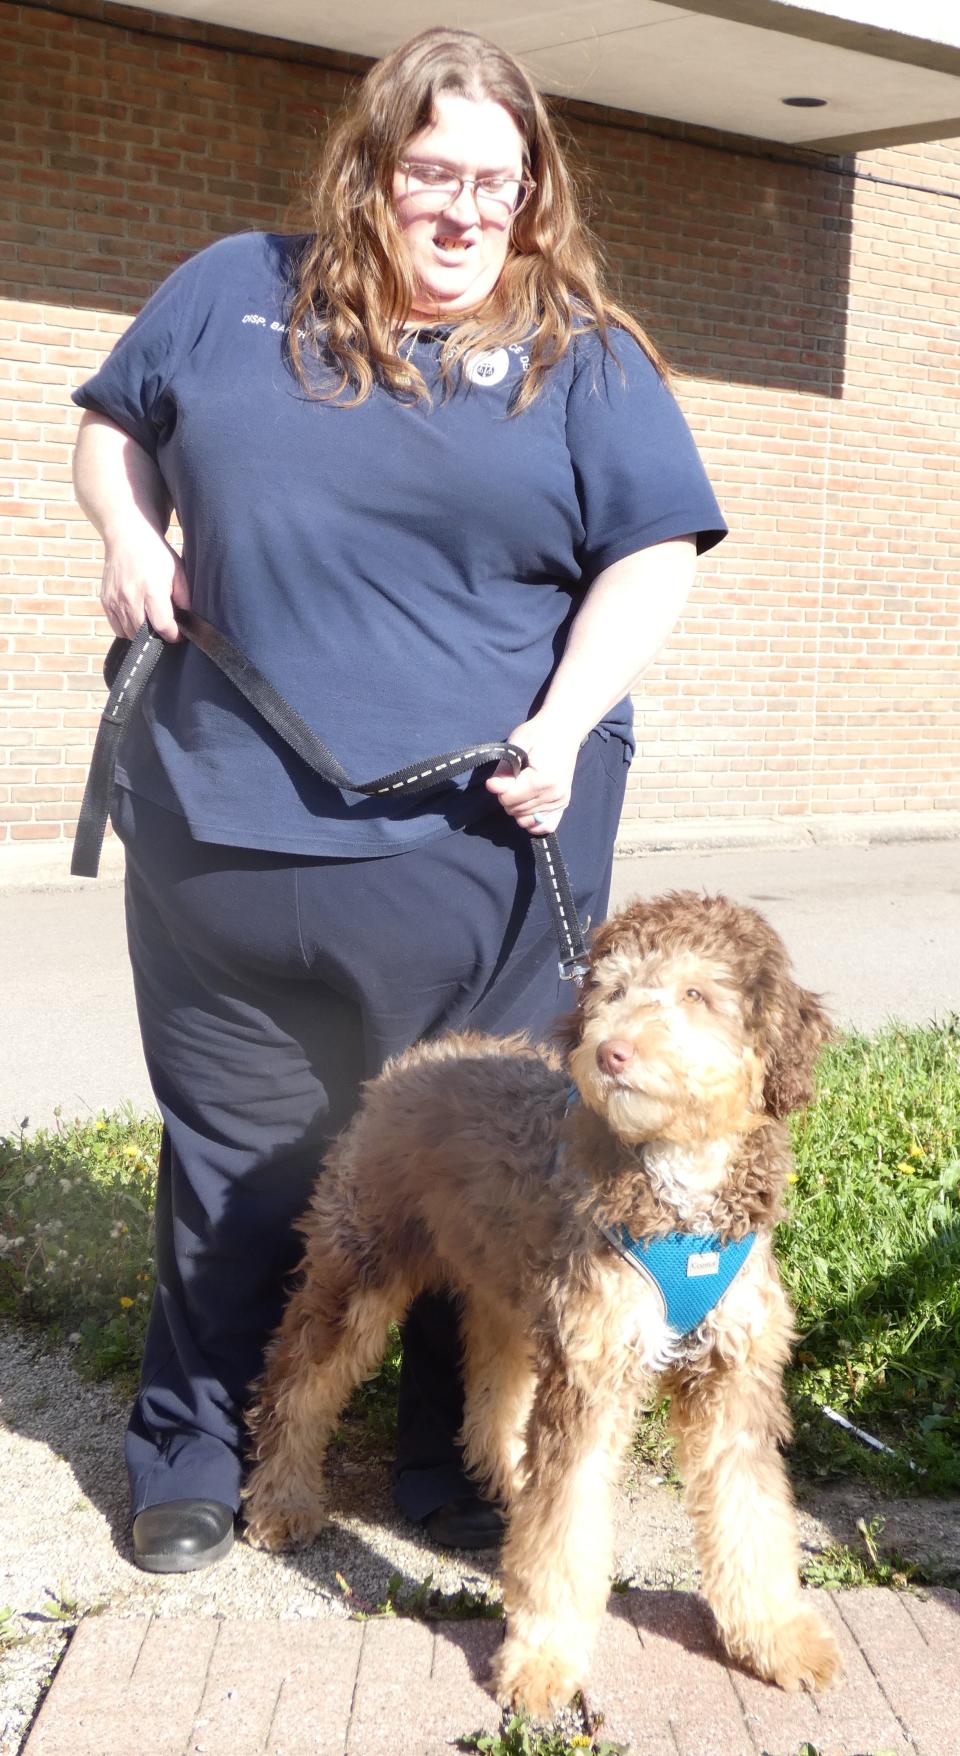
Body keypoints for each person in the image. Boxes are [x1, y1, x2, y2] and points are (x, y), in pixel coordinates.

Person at [71, 26, 726, 1574]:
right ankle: (196, 1450)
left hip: (485, 841)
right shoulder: (232, 285)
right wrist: (131, 528)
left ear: (532, 190)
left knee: (483, 1157)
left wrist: (566, 722)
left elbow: (649, 552)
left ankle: (448, 1460)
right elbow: (114, 423)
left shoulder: (583, 350)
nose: (462, 210)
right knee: (239, 1153)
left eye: (497, 181)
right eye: (433, 170)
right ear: (372, 166)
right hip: (221, 825)